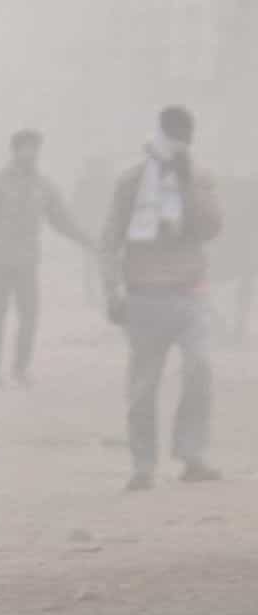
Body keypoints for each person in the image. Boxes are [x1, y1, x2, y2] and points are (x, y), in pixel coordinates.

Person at [101, 106, 223, 491]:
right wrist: (112, 288)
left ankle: (192, 455)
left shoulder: (200, 177)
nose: (176, 142)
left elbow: (210, 228)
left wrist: (188, 185)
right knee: (143, 386)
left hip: (190, 291)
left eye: (183, 135)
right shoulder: (131, 180)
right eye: (172, 133)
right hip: (144, 295)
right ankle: (143, 464)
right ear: (159, 134)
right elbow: (110, 239)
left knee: (199, 370)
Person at [0, 129, 91, 387]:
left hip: (27, 262)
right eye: (26, 148)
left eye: (35, 148)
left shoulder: (44, 186)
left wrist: (88, 241)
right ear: (15, 150)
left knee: (29, 316)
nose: (31, 153)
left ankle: (21, 368)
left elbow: (62, 221)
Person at [73, 155, 116, 308]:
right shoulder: (108, 183)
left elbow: (77, 206)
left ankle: (96, 293)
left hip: (100, 227)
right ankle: (97, 293)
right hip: (98, 228)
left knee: (95, 262)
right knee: (98, 262)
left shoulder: (88, 184)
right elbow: (78, 207)